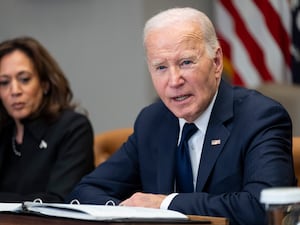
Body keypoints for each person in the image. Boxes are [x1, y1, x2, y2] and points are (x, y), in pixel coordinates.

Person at [67, 7, 296, 225]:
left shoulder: (261, 117)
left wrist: (166, 204)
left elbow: (263, 209)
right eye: (161, 68)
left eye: (186, 62)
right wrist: (131, 213)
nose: (174, 81)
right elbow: (86, 191)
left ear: (216, 62)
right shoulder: (153, 121)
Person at [0, 36, 94, 203]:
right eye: (4, 82)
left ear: (45, 84)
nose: (14, 91)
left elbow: (58, 200)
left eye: (24, 79)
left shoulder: (73, 128)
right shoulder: (4, 132)